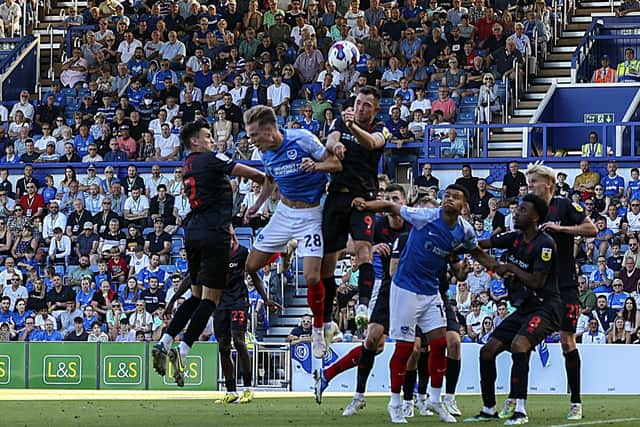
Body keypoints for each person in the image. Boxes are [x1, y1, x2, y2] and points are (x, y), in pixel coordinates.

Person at [351, 184, 495, 423]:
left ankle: (436, 400)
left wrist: (497, 268)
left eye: (455, 197)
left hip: (431, 292)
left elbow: (476, 251)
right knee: (406, 348)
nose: (449, 199)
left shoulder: (465, 230)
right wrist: (366, 205)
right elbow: (390, 206)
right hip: (405, 289)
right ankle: (395, 403)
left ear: (464, 206)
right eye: (446, 195)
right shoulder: (425, 217)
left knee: (440, 344)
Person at [151, 119, 269, 388]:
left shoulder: (189, 164)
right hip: (212, 235)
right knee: (210, 301)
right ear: (195, 141)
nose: (212, 140)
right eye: (207, 136)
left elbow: (213, 197)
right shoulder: (212, 158)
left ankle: (164, 341)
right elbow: (253, 175)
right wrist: (266, 184)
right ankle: (181, 353)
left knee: (195, 295)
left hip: (191, 232)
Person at [242, 105, 340, 359]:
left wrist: (316, 167)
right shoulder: (263, 153)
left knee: (310, 278)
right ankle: (284, 251)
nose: (251, 141)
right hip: (284, 214)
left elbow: (334, 163)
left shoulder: (303, 139)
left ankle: (319, 329)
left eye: (254, 135)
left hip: (311, 215)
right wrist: (257, 205)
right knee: (251, 266)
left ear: (269, 130)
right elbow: (270, 180)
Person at [313, 185, 412, 415]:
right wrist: (371, 247)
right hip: (388, 289)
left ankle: (416, 397)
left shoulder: (413, 224)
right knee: (373, 343)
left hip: (417, 292)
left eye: (395, 198)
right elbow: (350, 246)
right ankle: (355, 393)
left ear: (406, 201)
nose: (389, 202)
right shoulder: (378, 227)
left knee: (417, 347)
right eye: (386, 198)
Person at [465, 194, 560, 425]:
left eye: (523, 210)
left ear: (535, 216)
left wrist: (511, 268)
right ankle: (489, 408)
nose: (516, 213)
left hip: (546, 306)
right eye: (517, 209)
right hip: (524, 308)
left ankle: (520, 409)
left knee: (520, 344)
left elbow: (537, 282)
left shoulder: (545, 244)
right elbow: (482, 244)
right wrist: (456, 247)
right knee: (487, 351)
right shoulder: (515, 238)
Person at [526, 162, 597, 420]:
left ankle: (576, 401)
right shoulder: (529, 210)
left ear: (549, 184)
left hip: (565, 284)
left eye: (534, 182)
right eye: (528, 182)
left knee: (567, 341)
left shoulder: (564, 206)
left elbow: (592, 229)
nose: (529, 186)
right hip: (537, 285)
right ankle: (516, 401)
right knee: (519, 341)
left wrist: (561, 229)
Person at [320, 86, 390, 343]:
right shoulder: (341, 120)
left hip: (363, 198)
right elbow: (330, 139)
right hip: (337, 195)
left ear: (375, 109)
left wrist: (351, 128)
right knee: (327, 262)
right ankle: (326, 320)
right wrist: (335, 144)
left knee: (364, 250)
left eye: (366, 105)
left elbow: (371, 143)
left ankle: (362, 306)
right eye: (358, 103)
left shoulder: (382, 128)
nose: (361, 108)